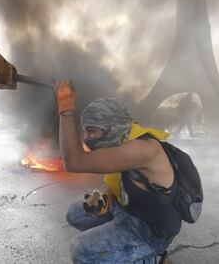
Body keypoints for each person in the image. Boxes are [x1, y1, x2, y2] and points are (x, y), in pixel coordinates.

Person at [53, 79, 181, 264]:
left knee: (81, 250)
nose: (87, 138)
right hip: (131, 209)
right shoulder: (125, 138)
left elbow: (74, 162)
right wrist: (107, 198)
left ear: (112, 128)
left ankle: (153, 257)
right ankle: (121, 249)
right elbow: (123, 180)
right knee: (75, 214)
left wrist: (65, 103)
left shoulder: (141, 148)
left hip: (149, 228)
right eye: (86, 131)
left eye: (92, 131)